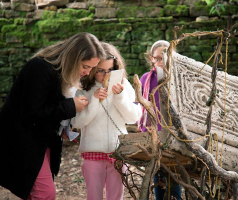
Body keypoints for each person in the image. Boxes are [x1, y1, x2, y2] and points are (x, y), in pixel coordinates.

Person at [0, 32, 106, 200]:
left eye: (91, 68)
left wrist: (64, 127)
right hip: (24, 140)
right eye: (85, 66)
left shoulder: (61, 71)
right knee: (44, 194)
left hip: (41, 140)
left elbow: (50, 108)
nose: (88, 72)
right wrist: (71, 106)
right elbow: (32, 113)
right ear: (73, 57)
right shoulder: (40, 68)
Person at [71, 42, 142, 200]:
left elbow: (134, 117)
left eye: (110, 70)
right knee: (94, 197)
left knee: (116, 197)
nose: (105, 75)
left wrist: (120, 96)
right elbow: (77, 123)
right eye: (100, 71)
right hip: (92, 153)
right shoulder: (83, 89)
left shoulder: (124, 86)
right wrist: (95, 100)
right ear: (92, 69)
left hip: (118, 152)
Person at [137, 40, 182, 200]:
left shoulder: (177, 79)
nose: (160, 61)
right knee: (157, 175)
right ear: (151, 58)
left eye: (164, 57)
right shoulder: (146, 79)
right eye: (157, 58)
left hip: (173, 134)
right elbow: (138, 104)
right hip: (153, 134)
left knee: (175, 175)